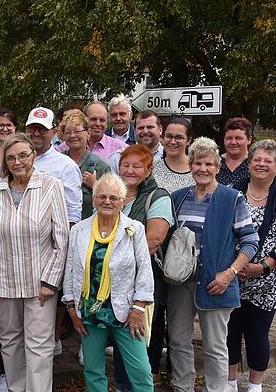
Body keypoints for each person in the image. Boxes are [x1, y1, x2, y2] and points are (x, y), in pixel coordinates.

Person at [168, 137, 259, 392]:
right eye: (197, 163)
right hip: (181, 281)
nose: (203, 169)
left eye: (209, 164)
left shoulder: (232, 198)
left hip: (216, 282)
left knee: (216, 345)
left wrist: (229, 274)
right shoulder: (179, 197)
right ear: (191, 165)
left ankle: (217, 389)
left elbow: (250, 241)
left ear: (218, 167)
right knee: (177, 340)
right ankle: (182, 386)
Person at [0, 133, 69, 392]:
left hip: (39, 281)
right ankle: (16, 387)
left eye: (23, 155)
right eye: (10, 157)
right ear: (4, 161)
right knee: (10, 340)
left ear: (33, 155)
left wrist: (50, 281)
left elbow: (61, 238)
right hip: (3, 280)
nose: (17, 161)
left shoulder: (50, 186)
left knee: (39, 344)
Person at [63, 173, 155, 392]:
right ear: (94, 200)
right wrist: (70, 307)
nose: (107, 201)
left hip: (127, 311)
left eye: (114, 198)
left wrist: (138, 309)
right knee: (93, 370)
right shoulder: (79, 230)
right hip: (89, 309)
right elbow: (71, 270)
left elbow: (144, 271)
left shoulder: (134, 229)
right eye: (102, 196)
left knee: (140, 371)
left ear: (122, 202)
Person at [227, 140, 276, 392]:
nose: (261, 164)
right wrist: (234, 267)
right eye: (257, 159)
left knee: (257, 335)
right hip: (232, 277)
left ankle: (255, 386)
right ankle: (230, 383)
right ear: (249, 163)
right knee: (230, 334)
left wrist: (263, 267)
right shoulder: (233, 194)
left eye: (268, 161)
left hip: (267, 283)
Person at [115, 145, 175, 386]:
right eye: (126, 165)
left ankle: (141, 385)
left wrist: (114, 257)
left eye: (137, 165)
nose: (130, 170)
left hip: (145, 283)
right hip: (116, 284)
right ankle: (123, 386)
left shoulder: (158, 196)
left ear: (148, 170)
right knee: (121, 340)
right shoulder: (114, 193)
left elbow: (154, 240)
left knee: (139, 342)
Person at [58, 109, 110, 219]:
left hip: (90, 229)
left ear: (88, 133)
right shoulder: (57, 162)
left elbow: (112, 200)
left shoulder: (101, 167)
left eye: (77, 131)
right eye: (68, 132)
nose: (72, 136)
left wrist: (95, 185)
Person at [152, 118, 194, 193]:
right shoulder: (152, 169)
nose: (173, 142)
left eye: (179, 137)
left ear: (189, 140)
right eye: (169, 136)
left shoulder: (197, 169)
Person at [217, 117, 253, 188]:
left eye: (238, 138)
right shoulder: (215, 162)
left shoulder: (255, 164)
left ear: (249, 140)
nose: (233, 142)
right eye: (229, 138)